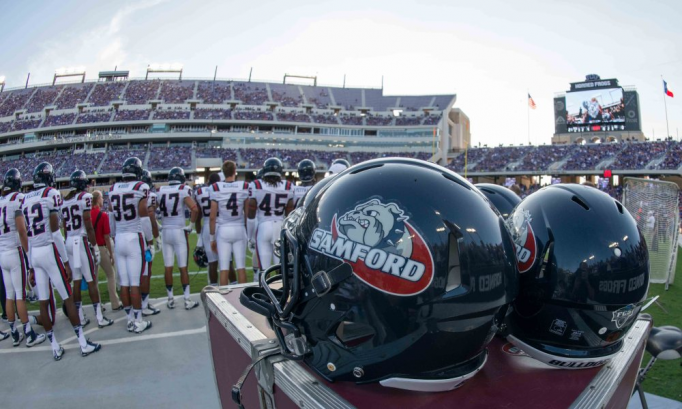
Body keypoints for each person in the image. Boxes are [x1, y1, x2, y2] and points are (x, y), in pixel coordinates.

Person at [20, 162, 101, 360]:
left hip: (34, 253)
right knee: (67, 297)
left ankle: (55, 347)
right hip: (49, 250)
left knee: (43, 301)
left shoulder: (25, 198)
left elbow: (28, 236)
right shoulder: (51, 194)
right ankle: (82, 343)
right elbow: (56, 232)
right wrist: (65, 261)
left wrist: (30, 266)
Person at [0, 169, 46, 347]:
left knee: (9, 295)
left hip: (2, 253)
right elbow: (21, 230)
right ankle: (28, 333)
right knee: (19, 294)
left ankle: (13, 332)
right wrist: (29, 256)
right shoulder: (17, 199)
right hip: (14, 251)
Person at [62, 171, 114, 329]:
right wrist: (95, 247)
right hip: (81, 240)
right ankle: (99, 317)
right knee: (91, 279)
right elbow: (88, 225)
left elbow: (65, 225)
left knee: (77, 280)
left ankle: (80, 316)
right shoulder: (84, 197)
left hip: (69, 240)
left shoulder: (65, 200)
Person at [109, 157, 153, 333]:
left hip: (119, 237)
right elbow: (143, 215)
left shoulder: (113, 188)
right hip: (134, 237)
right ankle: (138, 320)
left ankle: (129, 319)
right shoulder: (140, 187)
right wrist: (149, 240)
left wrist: (113, 236)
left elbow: (111, 215)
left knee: (125, 283)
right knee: (135, 283)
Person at [157, 167, 199, 310]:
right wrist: (191, 225)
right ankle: (187, 300)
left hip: (166, 231)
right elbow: (194, 208)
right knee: (183, 267)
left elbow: (150, 210)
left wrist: (158, 224)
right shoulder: (183, 189)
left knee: (168, 267)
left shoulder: (161, 190)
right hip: (179, 231)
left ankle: (170, 299)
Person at [246, 158, 294, 282]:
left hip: (263, 226)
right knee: (280, 267)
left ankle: (265, 296)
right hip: (280, 226)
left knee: (264, 268)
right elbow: (289, 214)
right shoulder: (288, 186)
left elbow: (251, 214)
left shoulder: (256, 185)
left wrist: (250, 236)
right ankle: (282, 294)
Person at [209, 161, 250, 285]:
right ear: (234, 171)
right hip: (239, 228)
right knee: (241, 267)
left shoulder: (216, 187)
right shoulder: (244, 186)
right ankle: (242, 300)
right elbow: (247, 214)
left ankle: (224, 301)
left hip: (223, 229)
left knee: (224, 268)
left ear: (223, 171)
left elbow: (212, 217)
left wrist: (212, 238)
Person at [91, 190, 121, 310]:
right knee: (111, 274)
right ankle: (115, 303)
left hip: (91, 248)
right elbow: (106, 237)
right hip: (101, 248)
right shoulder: (102, 215)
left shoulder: (87, 214)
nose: (103, 200)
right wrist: (111, 253)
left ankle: (98, 305)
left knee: (94, 279)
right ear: (98, 199)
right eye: (101, 198)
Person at [140, 170, 160, 316]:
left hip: (127, 237)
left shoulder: (124, 192)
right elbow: (150, 216)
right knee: (146, 271)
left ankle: (136, 305)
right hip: (143, 238)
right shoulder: (148, 194)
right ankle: (144, 304)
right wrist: (155, 237)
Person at [195, 173, 222, 286]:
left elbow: (198, 215)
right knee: (227, 262)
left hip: (206, 225)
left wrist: (198, 235)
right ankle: (232, 285)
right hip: (221, 224)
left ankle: (214, 288)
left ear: (208, 181)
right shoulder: (221, 189)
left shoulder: (199, 192)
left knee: (212, 262)